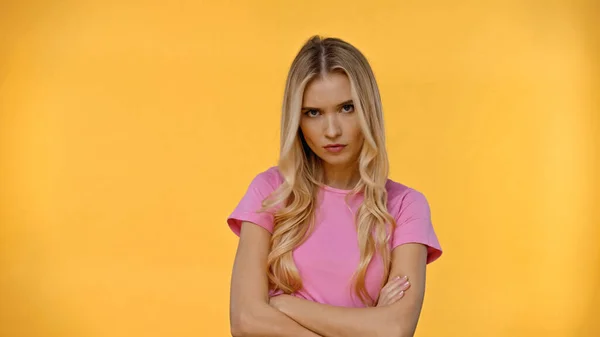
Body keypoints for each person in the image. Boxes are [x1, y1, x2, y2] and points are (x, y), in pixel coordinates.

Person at [227, 35, 443, 337]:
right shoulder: (270, 191)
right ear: (297, 120)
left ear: (368, 109)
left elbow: (394, 329)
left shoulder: (406, 206)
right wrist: (366, 322)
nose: (331, 130)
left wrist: (284, 304)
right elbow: (246, 320)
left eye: (346, 108)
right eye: (313, 113)